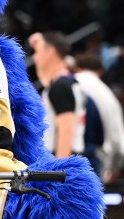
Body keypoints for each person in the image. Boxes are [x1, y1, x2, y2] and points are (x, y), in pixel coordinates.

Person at [74, 53, 124, 181]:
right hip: (98, 167)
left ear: (76, 68)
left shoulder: (67, 85)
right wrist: (113, 169)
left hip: (65, 164)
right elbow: (121, 144)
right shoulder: (108, 95)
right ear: (100, 72)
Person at [30, 31, 85, 159]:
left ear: (50, 52)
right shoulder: (69, 82)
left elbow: (66, 130)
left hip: (62, 159)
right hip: (74, 155)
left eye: (37, 52)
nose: (34, 58)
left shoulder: (60, 87)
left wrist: (58, 170)